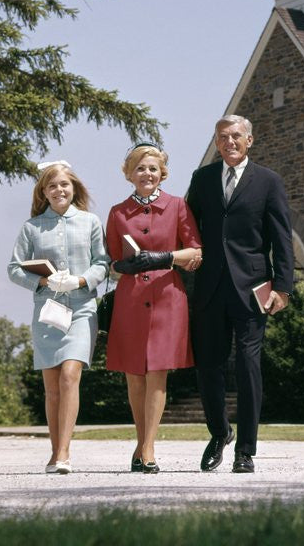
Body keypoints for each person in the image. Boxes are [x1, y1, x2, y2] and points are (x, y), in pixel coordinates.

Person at [186, 114, 294, 474]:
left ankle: (246, 450)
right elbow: (189, 233)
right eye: (222, 137)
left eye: (235, 136)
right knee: (209, 368)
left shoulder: (268, 182)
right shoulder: (201, 180)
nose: (229, 142)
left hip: (252, 290)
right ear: (217, 142)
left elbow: (281, 238)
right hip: (209, 290)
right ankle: (220, 433)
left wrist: (282, 286)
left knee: (249, 367)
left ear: (250, 140)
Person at [105, 143, 202, 474]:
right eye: (140, 168)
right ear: (129, 173)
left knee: (158, 372)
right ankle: (141, 444)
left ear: (163, 173)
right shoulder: (117, 213)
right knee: (134, 376)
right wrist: (124, 265)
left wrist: (166, 257)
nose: (146, 174)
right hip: (131, 299)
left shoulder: (177, 206)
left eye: (152, 168)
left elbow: (195, 253)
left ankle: (147, 449)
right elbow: (112, 261)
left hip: (166, 297)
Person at [8, 160, 109, 474]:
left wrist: (80, 281)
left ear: (74, 187)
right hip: (48, 312)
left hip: (81, 309)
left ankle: (64, 453)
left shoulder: (91, 222)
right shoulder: (32, 227)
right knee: (52, 388)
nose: (59, 190)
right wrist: (41, 281)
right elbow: (14, 269)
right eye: (52, 186)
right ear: (44, 192)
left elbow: (103, 263)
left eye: (64, 184)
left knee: (70, 376)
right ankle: (55, 453)